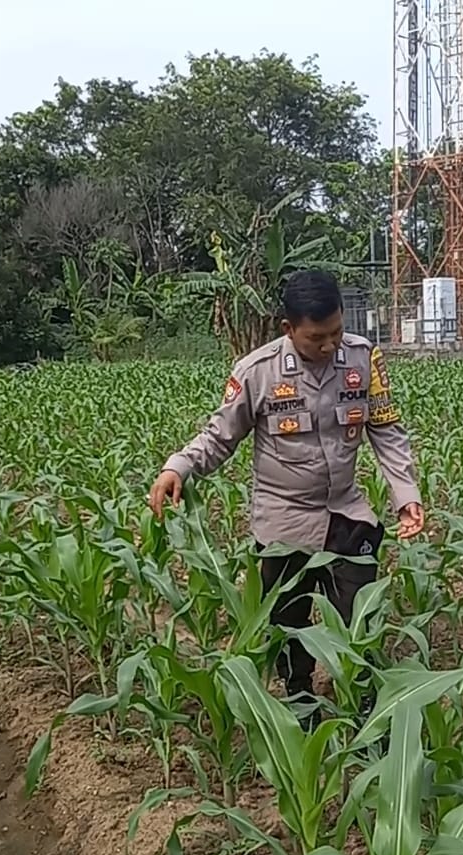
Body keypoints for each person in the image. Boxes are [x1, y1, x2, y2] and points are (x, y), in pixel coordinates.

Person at [149, 269, 424, 720]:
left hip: (346, 514)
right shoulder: (257, 372)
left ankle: (365, 707)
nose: (329, 345)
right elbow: (220, 437)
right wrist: (177, 466)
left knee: (361, 617)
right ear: (288, 329)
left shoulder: (362, 359)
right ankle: (300, 702)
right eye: (317, 337)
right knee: (289, 625)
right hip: (284, 523)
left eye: (336, 332)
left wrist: (405, 495)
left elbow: (386, 430)